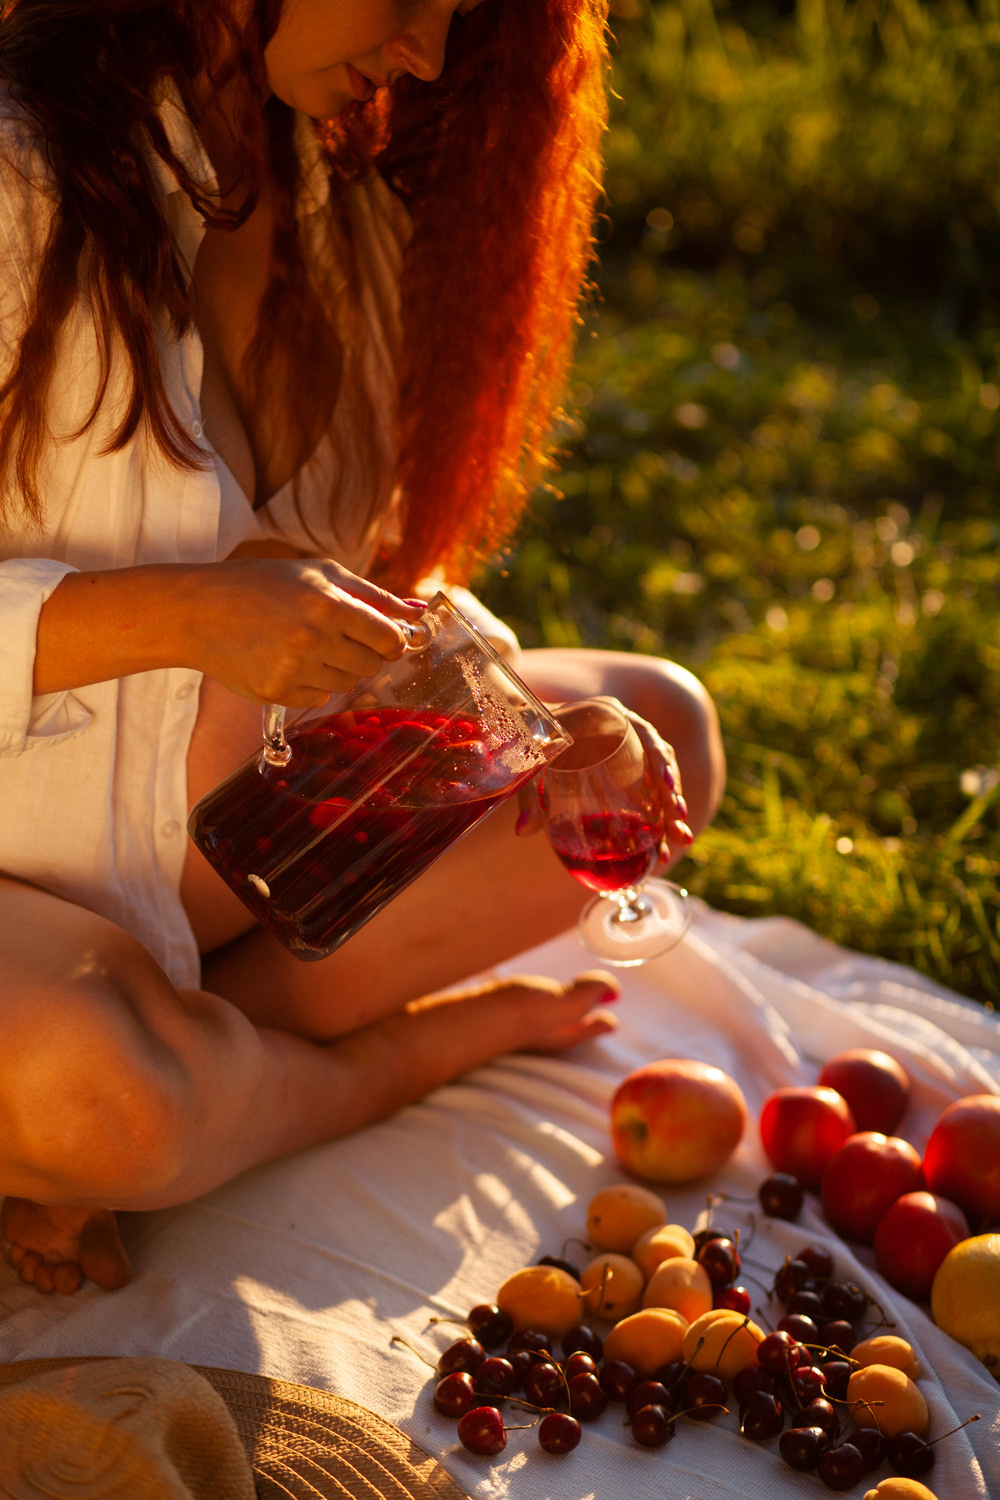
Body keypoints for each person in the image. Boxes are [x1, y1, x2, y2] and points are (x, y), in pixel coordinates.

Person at [0, 0, 725, 1295]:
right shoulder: (14, 179)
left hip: (221, 854)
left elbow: (384, 582)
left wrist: (512, 721)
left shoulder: (343, 219)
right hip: (18, 863)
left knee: (658, 731)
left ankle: (210, 1046)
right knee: (107, 1102)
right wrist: (172, 613)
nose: (433, 57)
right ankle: (366, 1063)